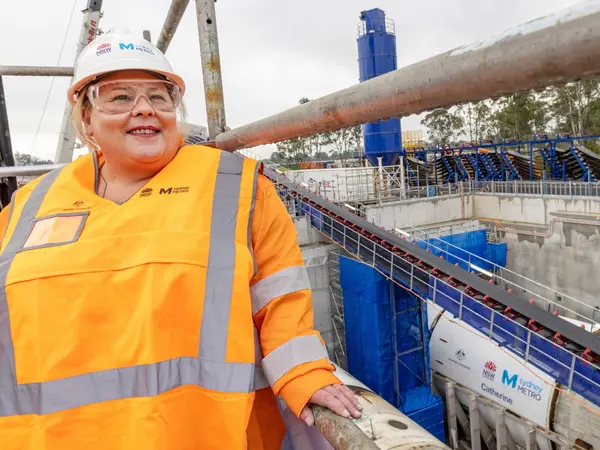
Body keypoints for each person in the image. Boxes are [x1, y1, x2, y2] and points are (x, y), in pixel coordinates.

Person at [0, 28, 361, 449]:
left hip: (205, 433)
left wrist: (303, 372)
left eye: (159, 97)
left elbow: (280, 299)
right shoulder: (28, 206)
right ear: (85, 118)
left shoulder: (235, 188)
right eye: (119, 97)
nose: (144, 110)